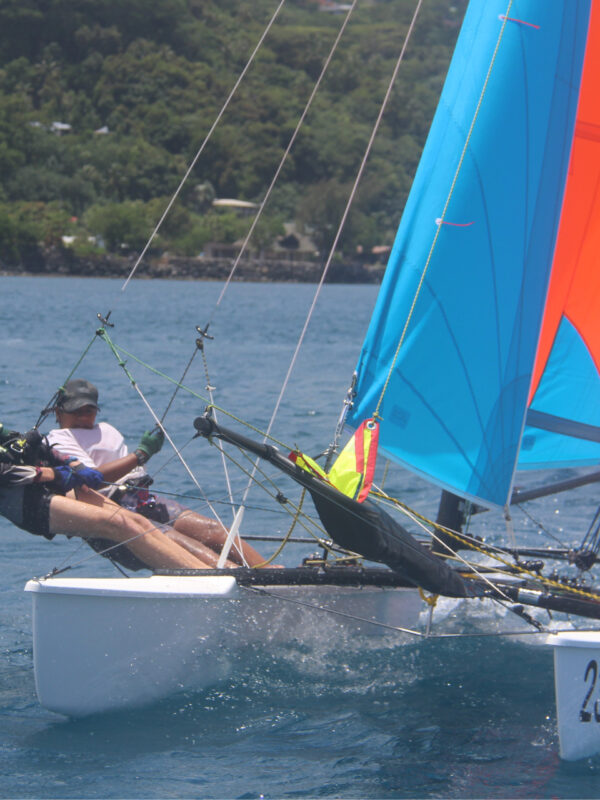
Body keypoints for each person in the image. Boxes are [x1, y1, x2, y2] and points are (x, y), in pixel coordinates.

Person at [47, 379, 266, 568]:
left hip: (141, 498)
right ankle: (235, 574)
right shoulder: (57, 439)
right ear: (58, 411)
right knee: (179, 542)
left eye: (88, 411)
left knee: (214, 530)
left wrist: (141, 456)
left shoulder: (107, 429)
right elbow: (91, 478)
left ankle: (267, 570)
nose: (83, 417)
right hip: (110, 509)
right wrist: (141, 454)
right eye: (75, 411)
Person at [0, 423, 217, 571]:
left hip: (45, 485)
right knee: (119, 525)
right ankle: (201, 575)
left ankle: (207, 572)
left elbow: (35, 444)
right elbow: (7, 473)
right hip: (26, 504)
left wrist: (72, 464)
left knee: (136, 521)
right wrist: (58, 474)